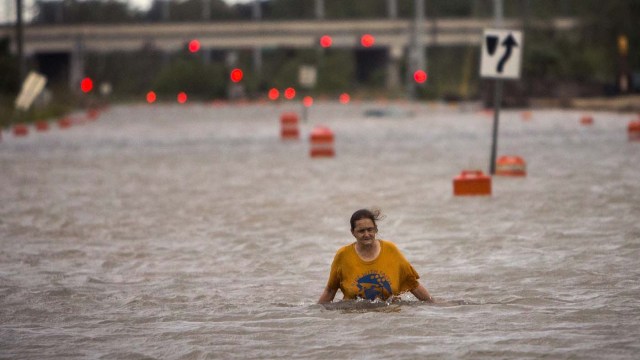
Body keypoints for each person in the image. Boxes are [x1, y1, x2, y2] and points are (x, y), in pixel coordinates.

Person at [318, 208, 433, 304]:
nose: (366, 234)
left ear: (376, 229)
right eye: (361, 231)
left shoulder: (391, 250)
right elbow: (330, 291)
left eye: (370, 229)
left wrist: (433, 304)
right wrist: (315, 314)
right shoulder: (343, 255)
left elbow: (413, 284)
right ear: (353, 232)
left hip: (390, 317)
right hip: (354, 320)